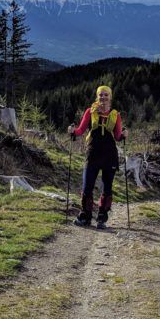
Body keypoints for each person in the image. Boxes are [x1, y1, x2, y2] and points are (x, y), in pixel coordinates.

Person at [68, 85, 126, 229]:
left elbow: (118, 136)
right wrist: (72, 131)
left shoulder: (115, 115)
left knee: (107, 188)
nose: (103, 97)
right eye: (101, 95)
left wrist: (124, 135)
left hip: (109, 155)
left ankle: (101, 218)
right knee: (87, 186)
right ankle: (85, 217)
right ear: (97, 96)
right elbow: (80, 130)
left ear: (110, 97)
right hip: (92, 153)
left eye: (106, 95)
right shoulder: (90, 111)